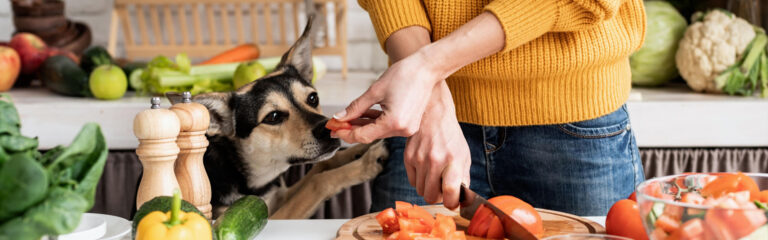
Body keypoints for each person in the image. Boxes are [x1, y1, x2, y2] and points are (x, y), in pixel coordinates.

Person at [332, 0, 647, 216]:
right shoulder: (426, 98)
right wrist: (431, 100)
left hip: (575, 122)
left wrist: (426, 71)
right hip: (424, 120)